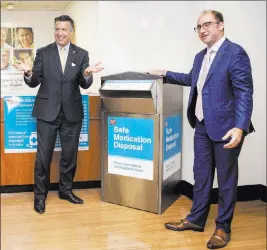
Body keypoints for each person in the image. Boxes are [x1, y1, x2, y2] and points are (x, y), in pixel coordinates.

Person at [149, 10, 254, 249]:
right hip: (202, 127)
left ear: (221, 25)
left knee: (226, 180)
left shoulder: (235, 53)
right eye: (198, 27)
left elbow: (244, 92)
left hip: (227, 128)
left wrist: (240, 127)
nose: (202, 30)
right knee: (201, 175)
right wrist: (165, 74)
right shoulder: (200, 57)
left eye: (207, 24)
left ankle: (222, 227)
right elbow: (191, 79)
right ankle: (196, 219)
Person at [13, 15, 104, 214]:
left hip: (71, 113)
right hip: (47, 113)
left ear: (71, 32)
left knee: (69, 156)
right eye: (57, 29)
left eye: (64, 29)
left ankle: (65, 190)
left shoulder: (81, 54)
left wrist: (87, 74)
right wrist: (28, 72)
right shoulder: (43, 53)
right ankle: (40, 196)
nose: (60, 33)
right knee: (43, 157)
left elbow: (84, 82)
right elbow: (35, 80)